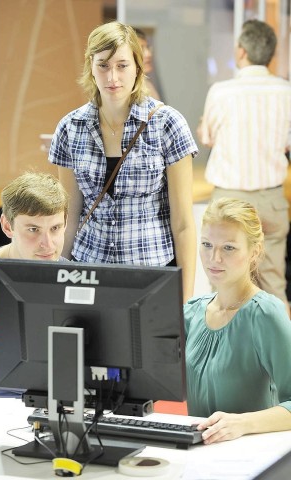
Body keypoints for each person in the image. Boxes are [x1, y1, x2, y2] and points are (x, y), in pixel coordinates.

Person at [48, 21, 198, 303]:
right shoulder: (70, 127)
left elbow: (183, 224)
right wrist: (57, 280)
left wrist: (186, 303)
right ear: (90, 67)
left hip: (151, 273)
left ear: (138, 68)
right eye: (103, 65)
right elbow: (69, 219)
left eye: (122, 65)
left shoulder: (167, 124)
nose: (112, 76)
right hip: (87, 273)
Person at [197, 19, 291, 314]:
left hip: (229, 202)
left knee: (224, 285)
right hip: (271, 200)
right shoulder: (286, 92)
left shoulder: (221, 92)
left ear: (241, 52)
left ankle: (226, 356)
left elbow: (207, 137)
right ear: (271, 55)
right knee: (274, 284)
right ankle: (280, 357)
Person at [184, 197, 291, 445]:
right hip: (198, 457)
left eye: (229, 248)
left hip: (252, 459)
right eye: (207, 245)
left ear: (254, 252)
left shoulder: (265, 313)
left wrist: (242, 424)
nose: (215, 258)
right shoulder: (192, 313)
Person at [0, 171, 69, 397]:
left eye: (55, 228)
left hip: (53, 407)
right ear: (7, 226)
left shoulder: (78, 280)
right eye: (33, 230)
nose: (48, 244)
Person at [134, 27, 161, 100]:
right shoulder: (128, 90)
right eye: (141, 49)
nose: (149, 54)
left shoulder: (147, 84)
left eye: (148, 47)